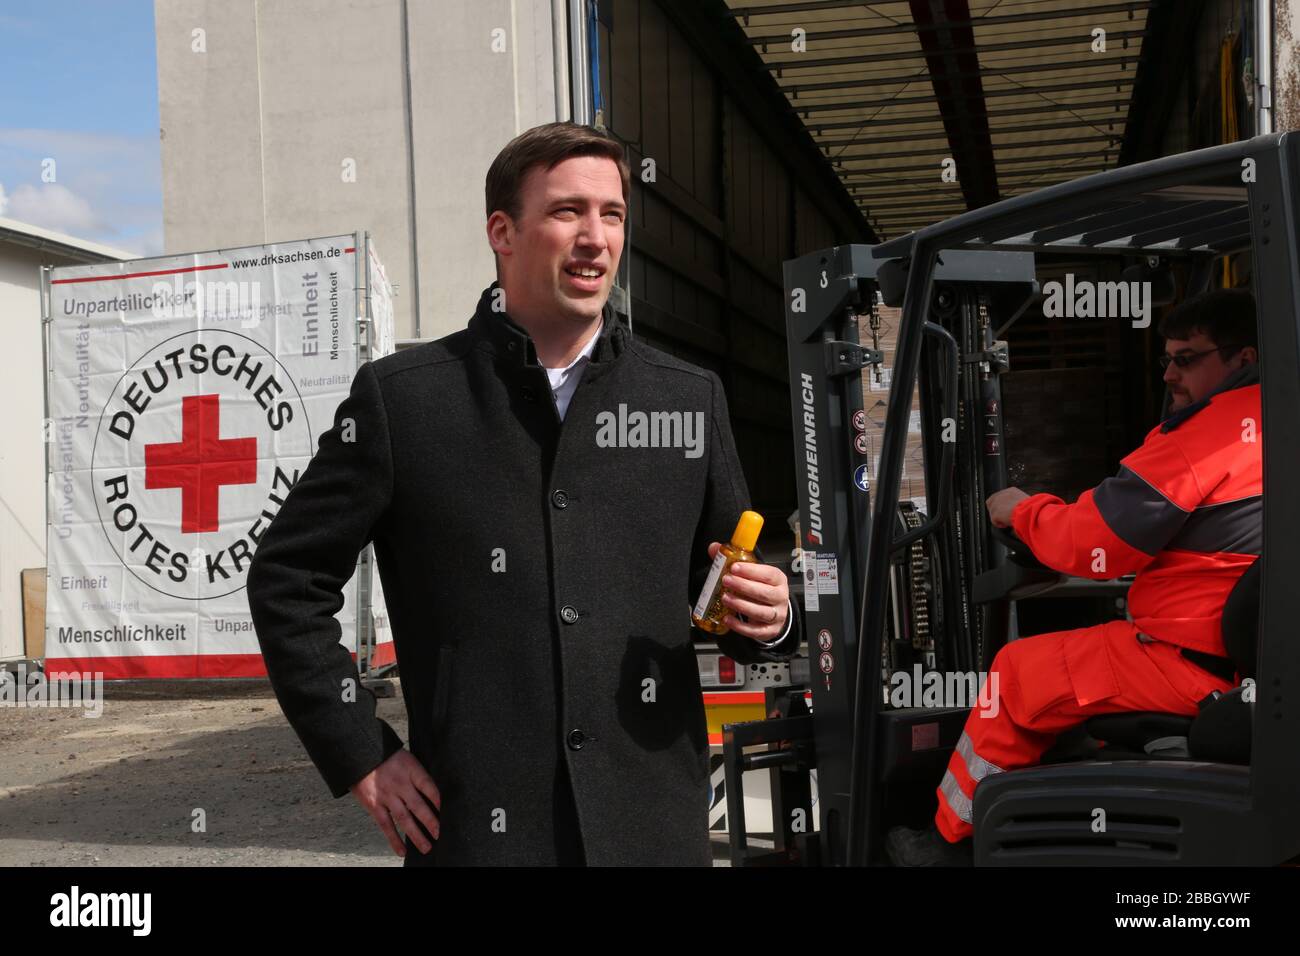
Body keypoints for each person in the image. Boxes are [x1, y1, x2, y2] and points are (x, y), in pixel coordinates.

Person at [246, 121, 800, 867]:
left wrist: (770, 615)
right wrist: (361, 752)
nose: (596, 238)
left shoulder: (687, 399)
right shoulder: (405, 404)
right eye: (568, 211)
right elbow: (287, 577)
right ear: (502, 232)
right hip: (480, 832)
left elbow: (726, 596)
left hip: (653, 831)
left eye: (612, 215)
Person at [887, 288, 1261, 866]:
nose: (1168, 374)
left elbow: (1096, 546)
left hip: (1189, 659)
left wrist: (1023, 511)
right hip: (1237, 658)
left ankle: (946, 844)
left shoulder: (1204, 440)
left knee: (1017, 672)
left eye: (1187, 358)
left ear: (1244, 358)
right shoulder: (1272, 425)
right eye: (1167, 358)